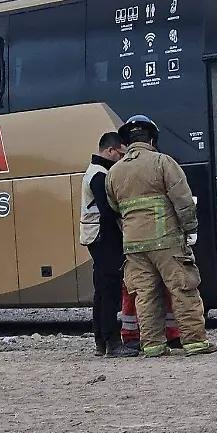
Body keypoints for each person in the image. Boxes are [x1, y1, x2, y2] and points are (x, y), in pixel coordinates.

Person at [106, 115, 217, 358]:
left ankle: (153, 345)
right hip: (166, 240)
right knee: (183, 288)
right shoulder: (163, 162)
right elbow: (184, 202)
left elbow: (115, 207)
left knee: (145, 295)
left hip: (133, 245)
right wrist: (190, 229)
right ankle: (195, 342)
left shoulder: (114, 172)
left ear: (125, 141)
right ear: (153, 138)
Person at [80, 132, 138, 358]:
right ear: (111, 151)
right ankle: (112, 343)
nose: (122, 158)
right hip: (103, 238)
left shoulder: (94, 171)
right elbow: (107, 211)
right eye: (121, 154)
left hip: (96, 237)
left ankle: (101, 342)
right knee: (110, 290)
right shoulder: (100, 175)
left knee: (102, 292)